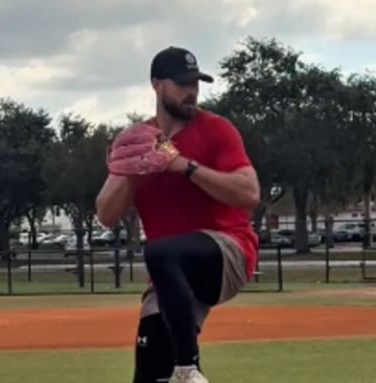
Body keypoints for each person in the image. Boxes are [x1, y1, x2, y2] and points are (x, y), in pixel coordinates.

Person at [96, 46, 260, 383]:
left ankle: (187, 368)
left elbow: (249, 194)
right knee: (149, 373)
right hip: (169, 275)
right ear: (157, 85)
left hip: (226, 251)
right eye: (183, 83)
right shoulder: (140, 140)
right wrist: (135, 171)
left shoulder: (216, 129)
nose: (192, 91)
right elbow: (105, 213)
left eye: (196, 83)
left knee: (159, 251)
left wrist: (181, 165)